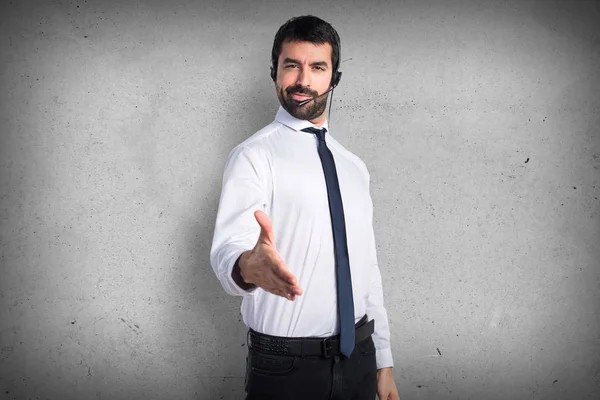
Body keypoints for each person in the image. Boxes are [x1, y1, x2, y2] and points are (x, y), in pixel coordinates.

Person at [210, 15, 400, 400]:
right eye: (291, 65)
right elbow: (228, 248)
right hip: (286, 369)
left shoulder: (354, 167)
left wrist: (383, 361)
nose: (302, 80)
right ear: (275, 72)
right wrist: (248, 266)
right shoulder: (253, 156)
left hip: (360, 359)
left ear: (334, 79)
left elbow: (367, 269)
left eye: (317, 67)